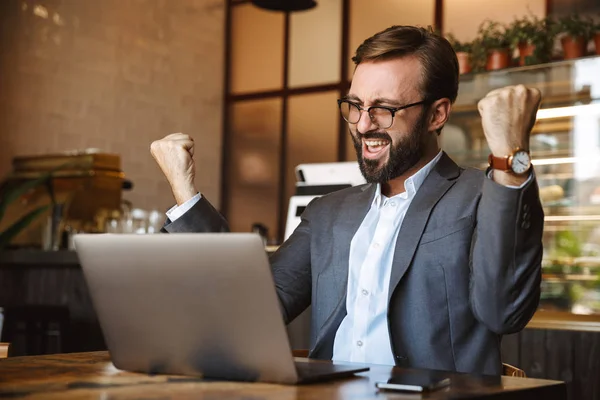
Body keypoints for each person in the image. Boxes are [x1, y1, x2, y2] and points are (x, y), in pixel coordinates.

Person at [150, 25, 543, 375]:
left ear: (437, 114)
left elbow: (504, 311)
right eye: (355, 106)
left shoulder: (481, 194)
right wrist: (185, 194)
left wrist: (510, 154)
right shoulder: (328, 212)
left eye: (384, 109)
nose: (362, 124)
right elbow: (246, 309)